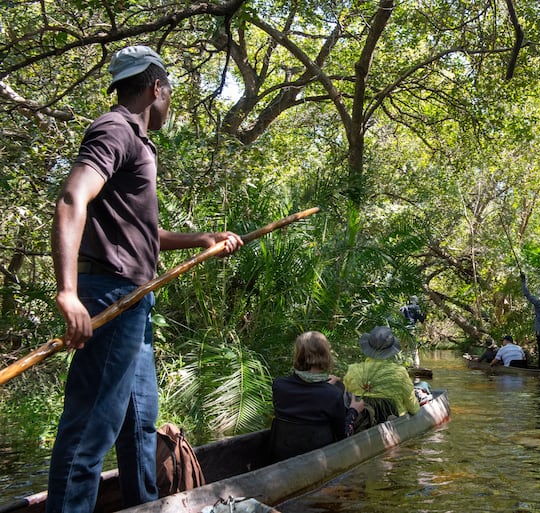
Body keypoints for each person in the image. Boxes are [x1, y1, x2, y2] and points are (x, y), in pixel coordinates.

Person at [47, 45, 244, 513]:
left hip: (135, 301)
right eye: (169, 92)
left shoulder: (136, 141)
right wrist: (68, 292)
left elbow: (142, 234)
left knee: (139, 423)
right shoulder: (115, 129)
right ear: (156, 87)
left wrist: (202, 239)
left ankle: (145, 505)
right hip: (111, 298)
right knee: (91, 425)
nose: (169, 102)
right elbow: (72, 198)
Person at [269, 331, 365, 462]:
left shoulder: (279, 385)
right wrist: (354, 410)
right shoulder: (332, 394)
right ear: (326, 355)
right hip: (317, 461)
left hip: (281, 456)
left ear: (298, 355)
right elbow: (343, 436)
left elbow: (305, 396)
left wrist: (324, 385)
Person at [343, 326, 420, 423]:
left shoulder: (352, 370)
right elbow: (414, 409)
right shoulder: (400, 372)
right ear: (391, 350)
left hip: (362, 423)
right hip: (394, 420)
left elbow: (346, 402)